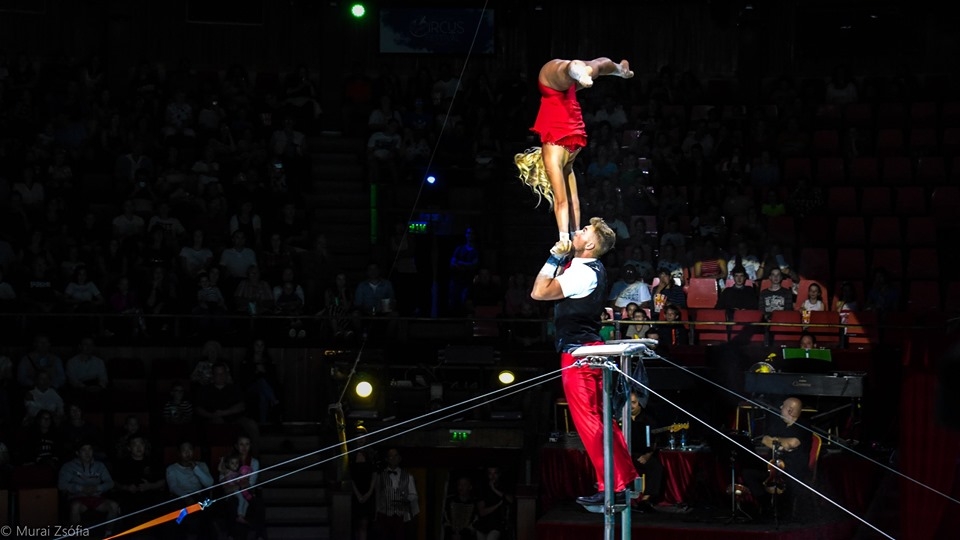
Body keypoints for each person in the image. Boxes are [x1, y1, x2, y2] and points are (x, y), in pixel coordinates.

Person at [530, 217, 639, 506]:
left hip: (579, 353)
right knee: (600, 420)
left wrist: (554, 258)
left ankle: (613, 486)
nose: (577, 232)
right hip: (586, 349)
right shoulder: (586, 266)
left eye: (583, 231)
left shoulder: (583, 274)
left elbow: (539, 292)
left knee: (590, 423)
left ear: (590, 244)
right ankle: (621, 479)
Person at [515, 58, 634, 255]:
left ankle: (583, 71)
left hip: (552, 89)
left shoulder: (552, 159)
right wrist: (575, 234)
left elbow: (562, 202)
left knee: (570, 69)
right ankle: (619, 70)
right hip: (566, 102)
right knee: (597, 65)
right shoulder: (564, 165)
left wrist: (564, 239)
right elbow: (573, 201)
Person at [749, 397, 813, 522]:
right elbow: (765, 439)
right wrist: (781, 444)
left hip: (793, 470)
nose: (780, 408)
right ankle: (766, 507)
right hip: (774, 467)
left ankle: (783, 512)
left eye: (783, 406)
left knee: (781, 479)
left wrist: (777, 441)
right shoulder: (779, 424)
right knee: (750, 473)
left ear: (790, 410)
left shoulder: (803, 425)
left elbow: (793, 443)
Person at [58, 441, 120, 536]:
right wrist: (80, 488)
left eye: (89, 449)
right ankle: (76, 535)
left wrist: (98, 487)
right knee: (75, 506)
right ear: (77, 453)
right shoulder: (69, 466)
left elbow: (110, 483)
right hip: (78, 497)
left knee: (114, 506)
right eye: (84, 450)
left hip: (96, 497)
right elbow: (61, 484)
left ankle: (108, 534)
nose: (87, 453)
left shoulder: (100, 465)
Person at [374, 448, 420, 540]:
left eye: (396, 456)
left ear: (399, 458)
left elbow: (414, 495)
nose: (393, 458)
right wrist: (377, 514)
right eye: (391, 456)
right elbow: (377, 495)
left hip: (401, 517)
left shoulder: (408, 476)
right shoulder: (381, 476)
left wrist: (404, 499)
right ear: (387, 459)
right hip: (384, 516)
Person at [474, 466, 514, 540]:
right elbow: (482, 512)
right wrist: (498, 505)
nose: (493, 476)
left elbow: (511, 500)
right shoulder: (482, 489)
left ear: (499, 474)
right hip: (483, 524)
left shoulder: (503, 486)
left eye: (495, 473)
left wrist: (495, 490)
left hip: (497, 524)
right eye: (490, 473)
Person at [442, 476, 478, 540]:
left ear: (470, 487)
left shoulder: (474, 503)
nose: (461, 487)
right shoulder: (449, 500)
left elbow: (474, 523)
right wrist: (452, 533)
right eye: (459, 484)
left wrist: (462, 535)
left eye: (464, 484)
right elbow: (445, 519)